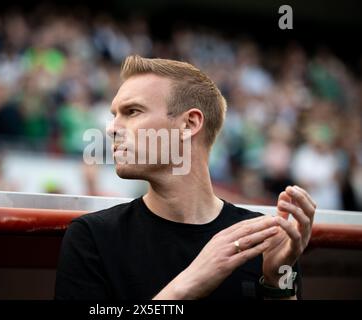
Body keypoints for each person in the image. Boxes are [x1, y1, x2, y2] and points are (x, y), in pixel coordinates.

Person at [54, 55, 316, 300]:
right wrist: (187, 285)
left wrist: (275, 281)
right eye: (114, 115)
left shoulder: (264, 239)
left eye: (132, 111)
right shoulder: (93, 237)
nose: (111, 128)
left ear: (189, 124)